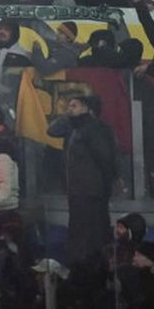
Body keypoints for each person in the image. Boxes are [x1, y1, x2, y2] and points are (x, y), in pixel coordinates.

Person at [49, 94, 117, 268]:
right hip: (78, 189)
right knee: (79, 231)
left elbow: (105, 158)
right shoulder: (74, 128)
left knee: (89, 233)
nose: (69, 108)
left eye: (75, 105)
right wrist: (68, 116)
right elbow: (51, 130)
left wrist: (110, 181)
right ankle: (82, 268)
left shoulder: (93, 129)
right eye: (69, 105)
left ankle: (89, 269)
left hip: (90, 191)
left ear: (88, 109)